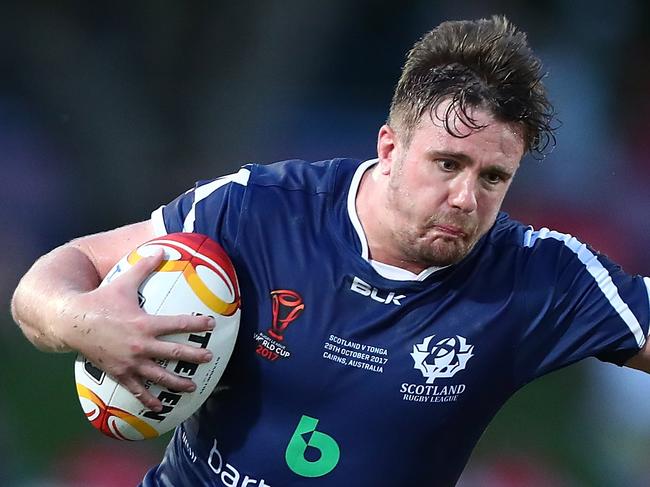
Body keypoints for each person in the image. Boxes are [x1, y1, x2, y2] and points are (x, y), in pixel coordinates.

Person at [11, 15, 650, 486]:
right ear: (390, 148)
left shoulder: (537, 278)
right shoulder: (257, 209)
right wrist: (87, 320)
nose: (465, 197)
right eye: (447, 163)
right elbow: (43, 285)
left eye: (492, 178)